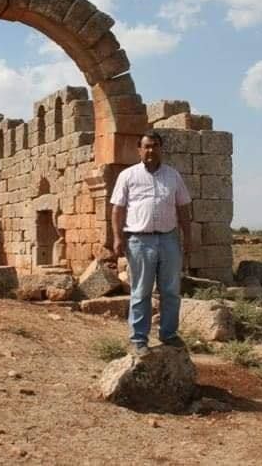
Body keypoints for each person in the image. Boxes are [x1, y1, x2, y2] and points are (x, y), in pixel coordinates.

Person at [110, 130, 192, 356]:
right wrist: (117, 238)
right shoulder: (128, 176)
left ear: (161, 148)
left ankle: (169, 334)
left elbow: (183, 208)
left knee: (171, 291)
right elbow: (118, 209)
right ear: (139, 150)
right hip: (139, 241)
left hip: (168, 239)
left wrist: (189, 239)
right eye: (146, 146)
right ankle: (138, 339)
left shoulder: (173, 176)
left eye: (155, 146)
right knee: (141, 291)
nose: (150, 150)